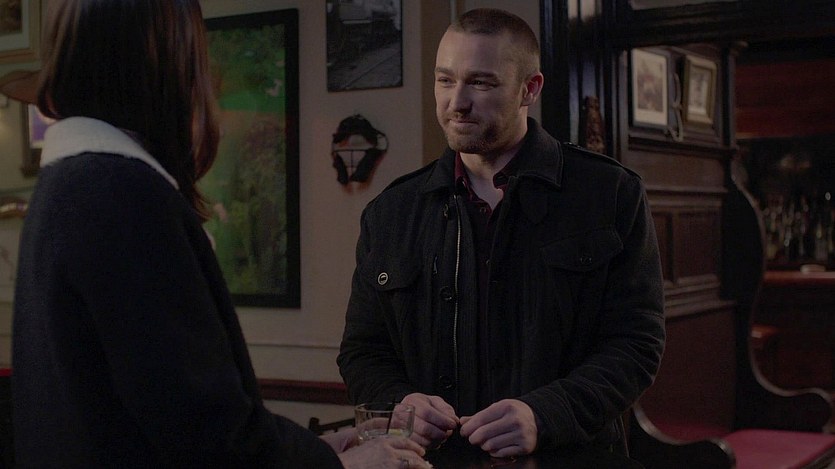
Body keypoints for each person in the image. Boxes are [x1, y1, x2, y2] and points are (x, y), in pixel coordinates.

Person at [11, 1, 429, 468]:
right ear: (170, 60)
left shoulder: (69, 184)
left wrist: (315, 451)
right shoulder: (122, 193)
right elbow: (202, 427)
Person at [338, 8, 665, 458]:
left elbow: (636, 343)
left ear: (529, 89)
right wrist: (402, 403)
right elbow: (362, 350)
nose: (457, 102)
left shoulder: (609, 194)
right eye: (445, 80)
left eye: (481, 83)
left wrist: (544, 415)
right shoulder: (392, 212)